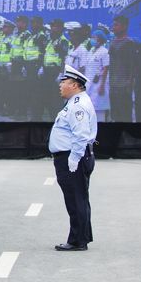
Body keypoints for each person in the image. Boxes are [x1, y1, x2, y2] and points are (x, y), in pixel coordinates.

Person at [48, 65, 97, 252]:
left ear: (75, 85)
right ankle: (82, 236)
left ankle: (77, 241)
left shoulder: (78, 106)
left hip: (73, 157)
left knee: (76, 199)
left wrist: (74, 159)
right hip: (71, 156)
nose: (60, 85)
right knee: (78, 199)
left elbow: (81, 135)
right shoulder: (74, 102)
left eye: (64, 82)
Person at [108, 15, 137, 122]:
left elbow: (133, 65)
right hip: (113, 86)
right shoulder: (112, 42)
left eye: (116, 25)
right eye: (113, 25)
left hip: (124, 86)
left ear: (124, 26)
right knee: (115, 116)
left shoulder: (129, 43)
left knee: (125, 116)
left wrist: (129, 82)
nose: (114, 27)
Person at [43, 19, 71, 118]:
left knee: (56, 98)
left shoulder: (63, 41)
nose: (52, 29)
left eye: (55, 26)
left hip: (56, 71)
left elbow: (64, 58)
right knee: (48, 96)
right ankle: (51, 117)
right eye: (52, 26)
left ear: (60, 28)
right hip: (47, 71)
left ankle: (58, 119)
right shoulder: (50, 40)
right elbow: (46, 55)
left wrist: (61, 73)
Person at [24, 16, 48, 121]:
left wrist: (41, 67)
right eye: (32, 22)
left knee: (37, 93)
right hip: (29, 66)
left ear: (40, 24)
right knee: (30, 91)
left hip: (36, 66)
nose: (33, 25)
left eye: (35, 23)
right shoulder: (31, 36)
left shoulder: (41, 36)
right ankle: (33, 115)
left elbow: (43, 52)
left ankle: (37, 117)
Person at [84, 30, 110, 122]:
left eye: (95, 38)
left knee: (99, 111)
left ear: (100, 40)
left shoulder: (104, 52)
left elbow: (106, 68)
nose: (92, 39)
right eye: (92, 37)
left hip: (99, 85)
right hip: (89, 84)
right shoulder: (91, 50)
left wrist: (102, 85)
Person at [10, 15, 32, 117]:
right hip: (14, 63)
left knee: (21, 90)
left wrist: (24, 65)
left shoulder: (27, 35)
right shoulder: (16, 34)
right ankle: (15, 110)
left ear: (25, 23)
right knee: (14, 89)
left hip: (22, 64)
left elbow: (26, 50)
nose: (18, 24)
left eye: (20, 22)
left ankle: (22, 112)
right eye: (17, 21)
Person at [0, 20, 15, 115]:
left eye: (6, 27)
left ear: (11, 29)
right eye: (4, 27)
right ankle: (0, 107)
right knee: (0, 89)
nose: (4, 29)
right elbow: (0, 52)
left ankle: (9, 109)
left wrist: (10, 64)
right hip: (1, 67)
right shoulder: (3, 38)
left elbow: (13, 52)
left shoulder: (12, 39)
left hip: (8, 67)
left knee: (8, 90)